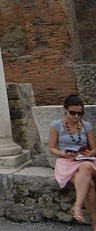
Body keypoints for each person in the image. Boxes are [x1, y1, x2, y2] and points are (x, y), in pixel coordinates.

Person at [48, 94, 96, 227]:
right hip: (67, 161)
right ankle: (95, 224)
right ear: (65, 109)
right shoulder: (56, 125)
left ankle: (77, 206)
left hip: (85, 160)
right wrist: (63, 154)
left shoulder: (86, 126)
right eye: (73, 113)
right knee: (89, 184)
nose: (76, 116)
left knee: (86, 167)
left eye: (79, 113)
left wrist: (88, 153)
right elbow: (51, 148)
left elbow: (94, 148)